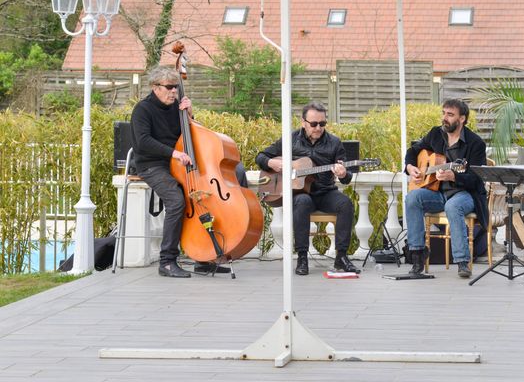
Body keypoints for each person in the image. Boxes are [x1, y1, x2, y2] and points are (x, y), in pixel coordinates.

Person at [131, 66, 247, 278]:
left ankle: (202, 258)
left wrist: (190, 115)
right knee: (176, 201)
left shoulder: (177, 107)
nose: (174, 91)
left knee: (203, 199)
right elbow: (143, 141)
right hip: (153, 164)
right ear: (155, 87)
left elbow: (196, 134)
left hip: (179, 163)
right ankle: (166, 261)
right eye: (169, 87)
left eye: (176, 87)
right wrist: (174, 154)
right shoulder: (143, 109)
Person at [256, 101, 359, 275]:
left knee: (345, 204)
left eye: (322, 123)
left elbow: (347, 177)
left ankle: (341, 256)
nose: (318, 128)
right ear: (303, 122)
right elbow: (261, 156)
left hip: (325, 192)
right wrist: (273, 163)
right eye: (313, 124)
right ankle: (302, 257)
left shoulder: (334, 143)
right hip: (301, 193)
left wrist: (342, 174)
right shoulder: (291, 139)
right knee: (302, 202)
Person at [404, 99, 488, 278]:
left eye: (450, 115)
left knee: (452, 206)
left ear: (462, 119)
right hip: (437, 191)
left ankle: (462, 261)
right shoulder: (436, 134)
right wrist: (411, 167)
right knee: (412, 198)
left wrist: (454, 176)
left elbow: (477, 179)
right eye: (444, 113)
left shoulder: (476, 143)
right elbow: (413, 150)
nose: (445, 118)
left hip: (464, 194)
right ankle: (418, 255)